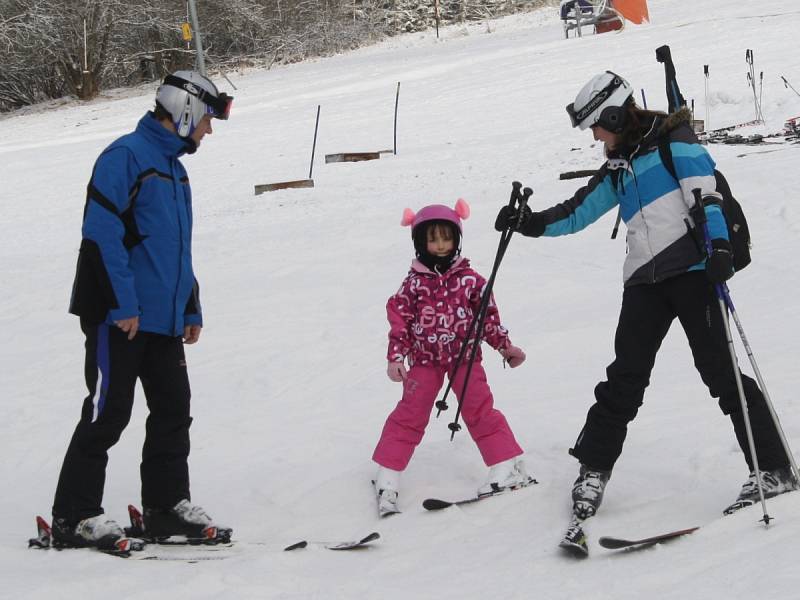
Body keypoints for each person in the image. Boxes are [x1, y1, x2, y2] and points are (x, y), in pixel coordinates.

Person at [496, 71, 797, 519]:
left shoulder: (677, 144)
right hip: (643, 281)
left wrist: (718, 249)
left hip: (695, 273)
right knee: (625, 377)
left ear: (615, 114)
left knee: (720, 372)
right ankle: (594, 468)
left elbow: (707, 198)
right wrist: (530, 222)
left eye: (597, 125)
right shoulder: (619, 165)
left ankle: (773, 468)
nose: (595, 136)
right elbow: (579, 211)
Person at [51, 71, 234, 549]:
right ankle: (75, 515)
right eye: (207, 120)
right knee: (108, 413)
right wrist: (121, 305)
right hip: (121, 317)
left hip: (164, 320)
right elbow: (101, 235)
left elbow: (175, 248)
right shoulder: (125, 157)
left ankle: (165, 506)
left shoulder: (174, 168)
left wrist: (190, 307)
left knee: (174, 410)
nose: (208, 131)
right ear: (184, 110)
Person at [371, 199, 532, 516]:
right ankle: (387, 474)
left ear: (456, 239)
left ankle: (506, 466)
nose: (440, 244)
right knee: (410, 414)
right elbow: (399, 322)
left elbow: (488, 318)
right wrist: (396, 357)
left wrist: (503, 346)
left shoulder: (471, 280)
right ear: (421, 242)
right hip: (425, 362)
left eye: (446, 237)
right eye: (433, 238)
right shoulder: (413, 284)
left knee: (479, 409)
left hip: (466, 360)